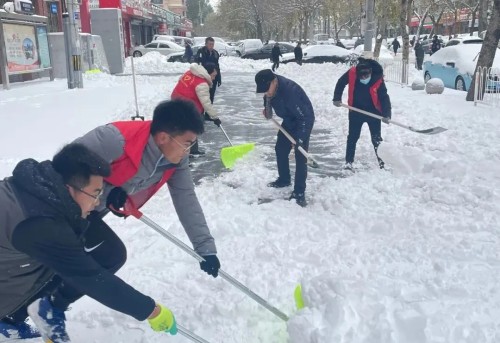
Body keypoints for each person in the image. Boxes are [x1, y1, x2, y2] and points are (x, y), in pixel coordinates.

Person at [0, 143, 178, 342]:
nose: (97, 202)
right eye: (95, 193)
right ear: (70, 188)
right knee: (65, 263)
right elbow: (90, 277)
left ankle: (15, 317)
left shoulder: (38, 185)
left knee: (95, 254)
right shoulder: (40, 226)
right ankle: (9, 317)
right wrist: (151, 310)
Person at [255, 69, 315, 207]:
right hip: (288, 121)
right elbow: (268, 102)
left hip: (303, 122)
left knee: (300, 156)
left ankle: (299, 193)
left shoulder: (290, 92)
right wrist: (267, 111)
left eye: (267, 89)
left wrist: (299, 139)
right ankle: (284, 179)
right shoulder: (270, 90)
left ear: (274, 81)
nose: (266, 93)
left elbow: (306, 117)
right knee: (280, 149)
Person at [333, 58, 392, 170]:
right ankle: (348, 162)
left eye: (366, 76)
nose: (364, 78)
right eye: (361, 77)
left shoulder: (377, 78)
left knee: (376, 139)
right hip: (355, 110)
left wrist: (387, 114)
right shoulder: (352, 73)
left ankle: (382, 164)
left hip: (373, 113)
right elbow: (341, 83)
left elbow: (384, 97)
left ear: (370, 72)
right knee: (353, 137)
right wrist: (336, 98)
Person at [171, 63, 222, 155]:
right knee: (190, 128)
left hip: (176, 100)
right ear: (207, 73)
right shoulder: (202, 83)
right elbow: (206, 102)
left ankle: (192, 150)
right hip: (186, 106)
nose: (214, 78)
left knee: (189, 127)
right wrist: (215, 117)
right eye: (213, 76)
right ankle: (185, 153)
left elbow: (180, 81)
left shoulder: (190, 73)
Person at [196, 37, 221, 104]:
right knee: (202, 97)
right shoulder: (201, 52)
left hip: (213, 79)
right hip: (203, 78)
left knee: (211, 97)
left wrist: (219, 78)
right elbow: (198, 65)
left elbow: (217, 66)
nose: (211, 46)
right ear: (206, 44)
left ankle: (208, 114)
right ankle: (200, 113)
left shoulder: (215, 53)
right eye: (210, 44)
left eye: (212, 44)